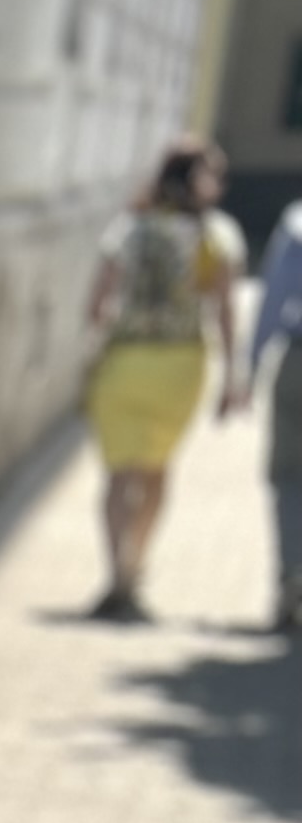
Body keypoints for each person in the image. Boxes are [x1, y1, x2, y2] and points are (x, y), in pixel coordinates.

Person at [83, 138, 244, 620]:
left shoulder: (128, 227)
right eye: (214, 174)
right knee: (155, 469)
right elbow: (225, 309)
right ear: (192, 178)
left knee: (117, 472)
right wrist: (232, 374)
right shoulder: (216, 235)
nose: (220, 184)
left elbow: (97, 305)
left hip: (123, 362)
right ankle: (137, 563)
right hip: (179, 365)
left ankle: (117, 572)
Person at [230, 193, 302, 629]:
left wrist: (251, 366)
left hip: (298, 363)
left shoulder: (297, 223)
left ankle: (291, 575)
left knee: (289, 477)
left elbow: (274, 298)